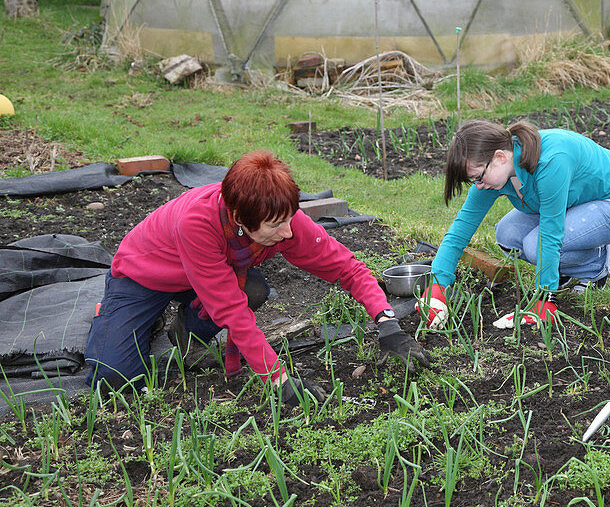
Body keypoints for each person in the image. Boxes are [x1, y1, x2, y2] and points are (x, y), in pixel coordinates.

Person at [84, 150, 431, 405]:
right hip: (146, 277)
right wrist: (278, 379)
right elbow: (233, 313)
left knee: (251, 289)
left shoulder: (283, 220)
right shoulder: (197, 223)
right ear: (239, 217)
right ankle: (121, 318)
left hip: (202, 278)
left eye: (288, 219)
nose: (285, 233)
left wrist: (388, 325)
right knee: (114, 380)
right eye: (274, 226)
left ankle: (185, 327)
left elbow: (346, 267)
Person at [421, 120, 610, 329]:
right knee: (507, 234)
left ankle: (597, 264)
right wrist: (437, 286)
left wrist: (543, 299)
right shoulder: (491, 178)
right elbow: (460, 230)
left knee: (536, 246)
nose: (478, 186)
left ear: (499, 157)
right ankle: (563, 268)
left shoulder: (550, 162)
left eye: (478, 177)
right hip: (572, 202)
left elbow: (551, 234)